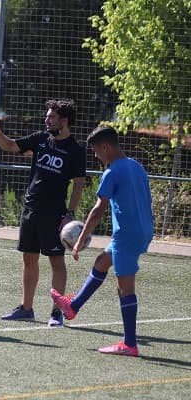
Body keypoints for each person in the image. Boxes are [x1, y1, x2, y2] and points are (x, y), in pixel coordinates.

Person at [51, 126, 153, 357]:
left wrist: (79, 240)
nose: (97, 157)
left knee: (125, 289)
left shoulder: (112, 172)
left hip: (127, 235)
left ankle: (129, 344)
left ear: (105, 147)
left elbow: (98, 210)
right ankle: (72, 306)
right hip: (141, 231)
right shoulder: (136, 167)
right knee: (102, 261)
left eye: (97, 152)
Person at [0, 99, 87, 327]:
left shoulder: (75, 149)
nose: (46, 119)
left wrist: (69, 213)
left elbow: (79, 183)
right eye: (47, 115)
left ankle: (56, 312)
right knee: (29, 258)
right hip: (31, 210)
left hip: (55, 215)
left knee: (56, 261)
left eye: (51, 117)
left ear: (64, 121)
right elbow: (10, 145)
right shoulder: (41, 139)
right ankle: (26, 308)